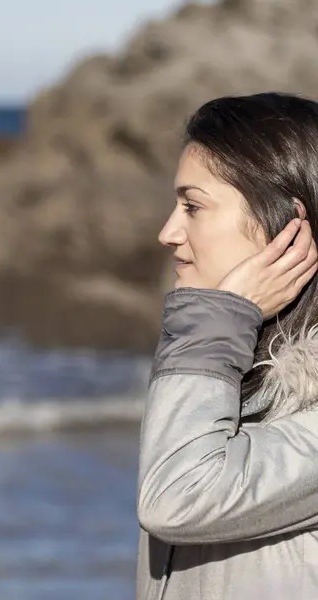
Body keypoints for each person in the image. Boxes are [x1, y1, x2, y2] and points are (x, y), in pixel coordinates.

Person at [136, 92, 318, 600]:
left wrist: (215, 326)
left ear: (287, 222)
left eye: (193, 206)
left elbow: (177, 499)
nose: (167, 232)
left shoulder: (213, 346)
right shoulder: (230, 363)